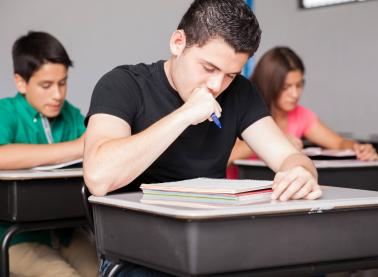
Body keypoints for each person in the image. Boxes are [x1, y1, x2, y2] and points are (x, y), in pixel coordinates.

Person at [84, 1, 321, 275]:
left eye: (230, 75)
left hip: (212, 244)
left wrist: (300, 172)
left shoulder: (241, 94)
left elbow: (288, 155)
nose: (217, 86)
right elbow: (99, 177)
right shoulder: (123, 84)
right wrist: (184, 115)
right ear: (178, 42)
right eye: (208, 68)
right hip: (137, 251)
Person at [0, 31, 98, 277]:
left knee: (106, 272)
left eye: (62, 83)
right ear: (21, 82)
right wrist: (76, 147)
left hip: (67, 234)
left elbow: (98, 145)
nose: (57, 94)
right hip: (18, 240)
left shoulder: (71, 114)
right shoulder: (6, 112)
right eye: (46, 85)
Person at [228, 46, 378, 178]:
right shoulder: (245, 109)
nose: (295, 94)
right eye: (286, 87)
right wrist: (277, 141)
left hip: (279, 189)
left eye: (299, 85)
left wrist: (356, 148)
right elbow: (227, 156)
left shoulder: (301, 115)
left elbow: (338, 143)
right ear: (269, 85)